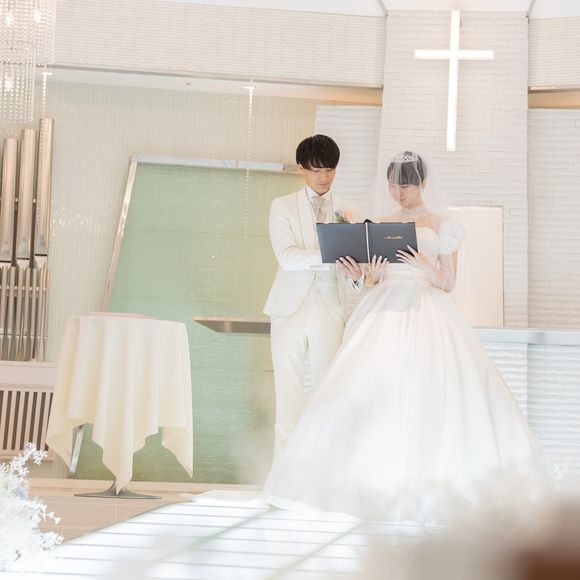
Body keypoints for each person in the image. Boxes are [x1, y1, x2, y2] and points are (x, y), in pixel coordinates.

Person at [262, 151, 546, 523]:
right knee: (370, 388)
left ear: (423, 184)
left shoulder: (444, 224)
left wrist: (423, 264)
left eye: (406, 185)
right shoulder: (379, 223)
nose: (399, 192)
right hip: (381, 306)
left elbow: (448, 283)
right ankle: (358, 485)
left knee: (429, 390)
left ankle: (424, 489)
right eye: (394, 185)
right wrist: (370, 273)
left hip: (426, 306)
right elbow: (370, 280)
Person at [264, 134, 362, 462]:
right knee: (287, 400)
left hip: (330, 312)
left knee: (326, 398)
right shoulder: (282, 206)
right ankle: (282, 477)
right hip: (288, 311)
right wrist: (332, 255)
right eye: (316, 170)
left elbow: (357, 270)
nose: (324, 177)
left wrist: (357, 275)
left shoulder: (349, 210)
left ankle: (319, 473)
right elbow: (287, 257)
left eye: (329, 170)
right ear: (301, 169)